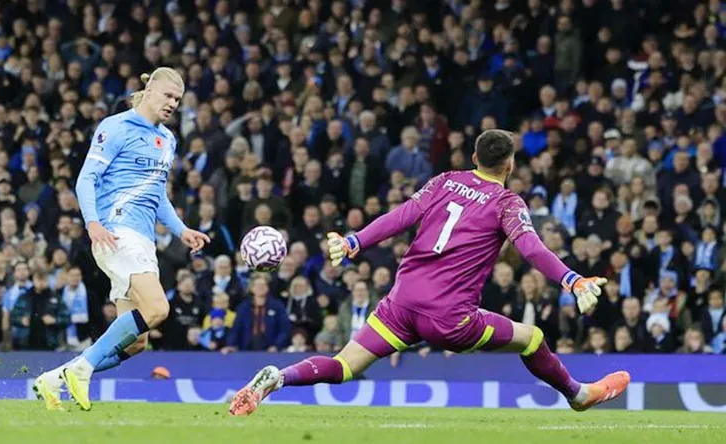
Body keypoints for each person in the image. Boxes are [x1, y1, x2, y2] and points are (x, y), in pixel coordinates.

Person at [229, 130, 630, 416]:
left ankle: (279, 378)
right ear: (509, 164)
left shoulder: (445, 181)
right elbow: (529, 246)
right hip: (450, 319)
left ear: (473, 158)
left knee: (345, 366)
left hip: (400, 304)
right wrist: (572, 279)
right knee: (533, 338)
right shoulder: (507, 202)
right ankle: (577, 395)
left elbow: (401, 215)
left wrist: (354, 242)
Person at [32, 67, 210, 411]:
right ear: (149, 90)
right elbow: (86, 179)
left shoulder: (168, 140)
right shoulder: (116, 127)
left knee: (135, 343)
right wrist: (92, 223)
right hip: (116, 232)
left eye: (178, 99)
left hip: (143, 240)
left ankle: (55, 378)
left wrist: (182, 229)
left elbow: (157, 195)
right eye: (168, 96)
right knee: (158, 309)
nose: (172, 104)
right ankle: (81, 370)